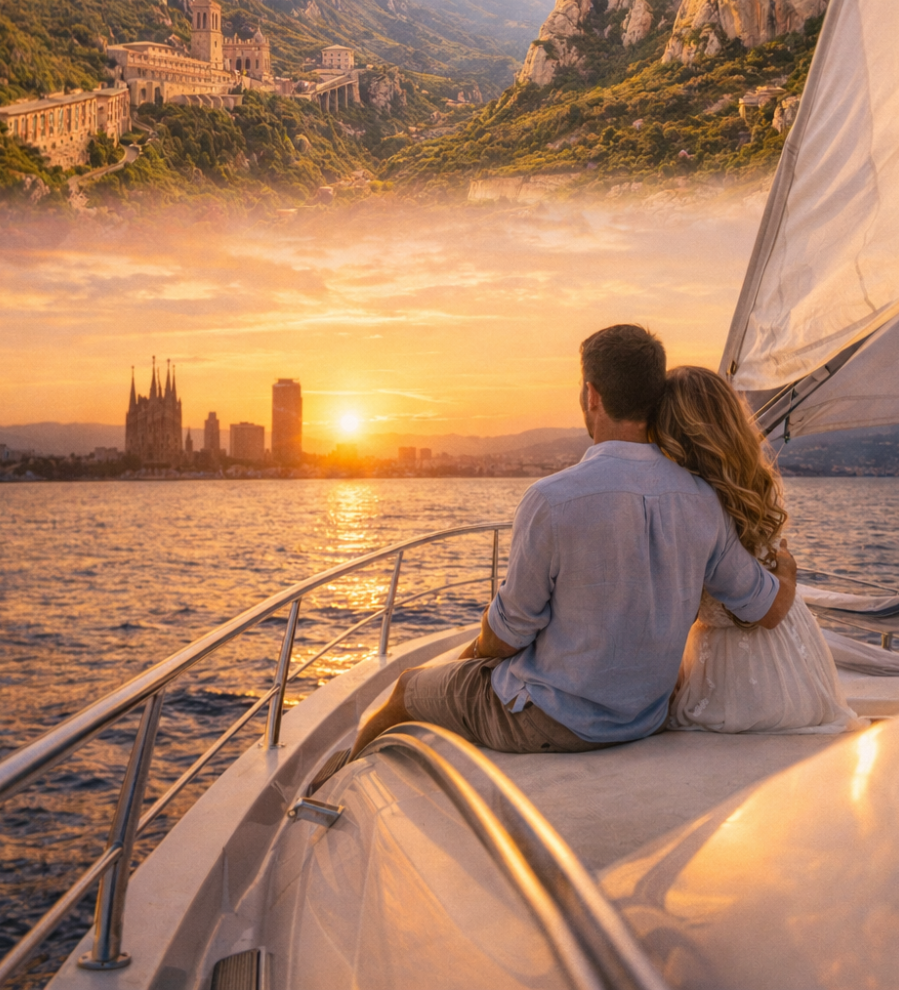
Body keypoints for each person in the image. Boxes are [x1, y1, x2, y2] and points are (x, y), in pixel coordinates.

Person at [311, 325, 794, 790]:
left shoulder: (552, 499)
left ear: (592, 395)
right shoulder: (702, 499)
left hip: (551, 722)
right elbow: (764, 608)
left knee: (407, 689)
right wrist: (787, 569)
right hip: (643, 718)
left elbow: (508, 633)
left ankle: (339, 779)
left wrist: (475, 655)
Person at [652, 366, 863, 734]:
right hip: (786, 649)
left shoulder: (681, 502)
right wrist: (786, 571)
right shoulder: (753, 482)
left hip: (726, 662)